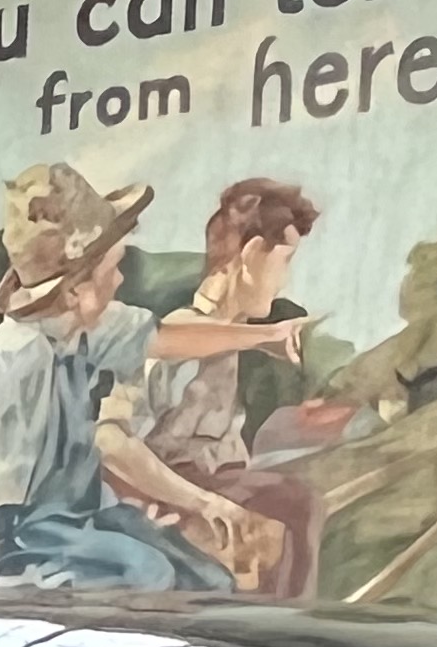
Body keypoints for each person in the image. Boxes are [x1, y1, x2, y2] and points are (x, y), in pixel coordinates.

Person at [0, 165, 309, 593]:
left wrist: (265, 337)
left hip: (84, 518)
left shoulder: (93, 325)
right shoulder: (17, 353)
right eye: (112, 270)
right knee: (149, 574)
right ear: (75, 291)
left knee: (209, 579)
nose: (120, 280)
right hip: (18, 536)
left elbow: (168, 338)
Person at [133, 179, 325, 596]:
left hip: (210, 486)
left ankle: (285, 615)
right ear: (252, 255)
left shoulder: (229, 335)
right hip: (172, 493)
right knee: (298, 503)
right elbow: (127, 442)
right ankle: (291, 620)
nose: (284, 281)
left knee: (290, 503)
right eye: (285, 261)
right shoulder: (184, 332)